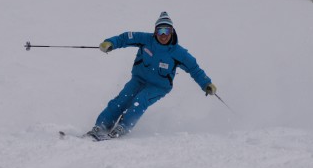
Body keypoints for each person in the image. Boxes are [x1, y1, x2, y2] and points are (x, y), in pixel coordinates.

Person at [88, 12, 217, 140]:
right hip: (138, 80)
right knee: (121, 100)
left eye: (166, 31)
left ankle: (123, 127)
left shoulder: (179, 53)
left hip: (159, 86)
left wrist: (206, 84)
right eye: (160, 30)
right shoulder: (145, 39)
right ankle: (101, 126)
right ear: (155, 31)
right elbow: (125, 38)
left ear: (171, 31)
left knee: (140, 101)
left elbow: (195, 69)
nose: (163, 35)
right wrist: (110, 43)